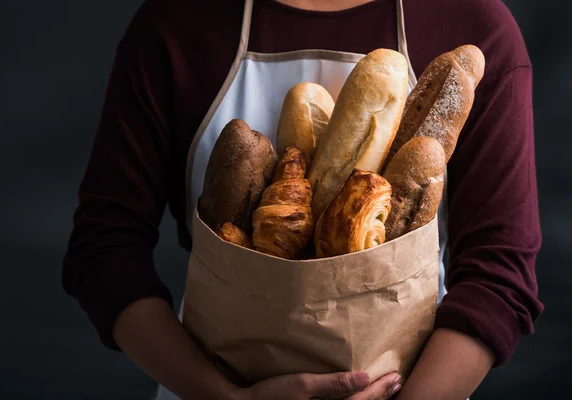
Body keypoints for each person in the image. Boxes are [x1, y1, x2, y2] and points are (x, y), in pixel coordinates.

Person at [62, 0, 544, 399]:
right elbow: (105, 251)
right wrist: (221, 396)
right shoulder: (175, 26)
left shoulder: (472, 23)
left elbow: (498, 272)